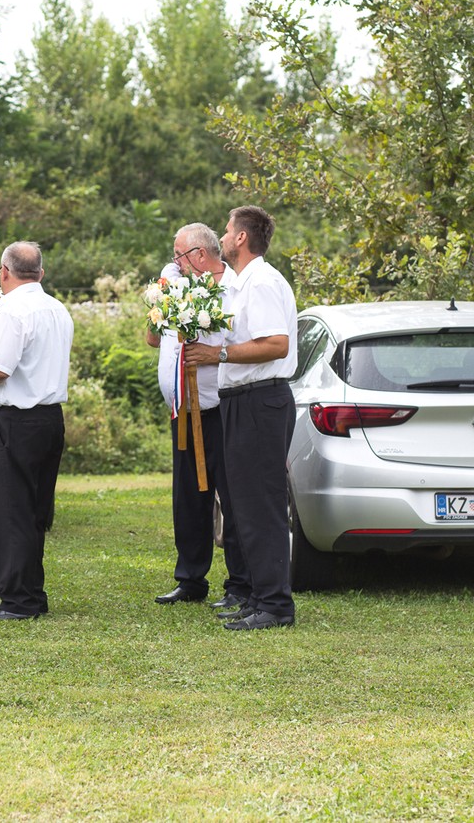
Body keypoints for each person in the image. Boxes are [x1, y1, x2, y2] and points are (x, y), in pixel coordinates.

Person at [186, 206, 298, 630]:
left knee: (262, 504)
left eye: (228, 229)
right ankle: (256, 596)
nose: (223, 234)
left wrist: (219, 354)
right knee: (243, 505)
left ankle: (275, 605)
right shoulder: (240, 284)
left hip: (260, 401)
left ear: (241, 239)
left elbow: (276, 344)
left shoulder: (263, 282)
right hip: (240, 399)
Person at [0, 242, 73, 621]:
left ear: (4, 273)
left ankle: (20, 600)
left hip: (16, 420)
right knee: (35, 510)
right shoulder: (56, 308)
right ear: (40, 273)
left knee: (12, 512)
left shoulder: (12, 310)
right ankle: (26, 591)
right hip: (49, 417)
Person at [146, 224, 252, 611]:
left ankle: (240, 582)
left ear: (199, 256)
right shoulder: (180, 287)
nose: (173, 262)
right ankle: (190, 578)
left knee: (230, 495)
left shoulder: (233, 290)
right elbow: (153, 339)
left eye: (178, 255)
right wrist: (162, 297)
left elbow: (232, 342)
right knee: (188, 497)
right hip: (183, 410)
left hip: (219, 407)